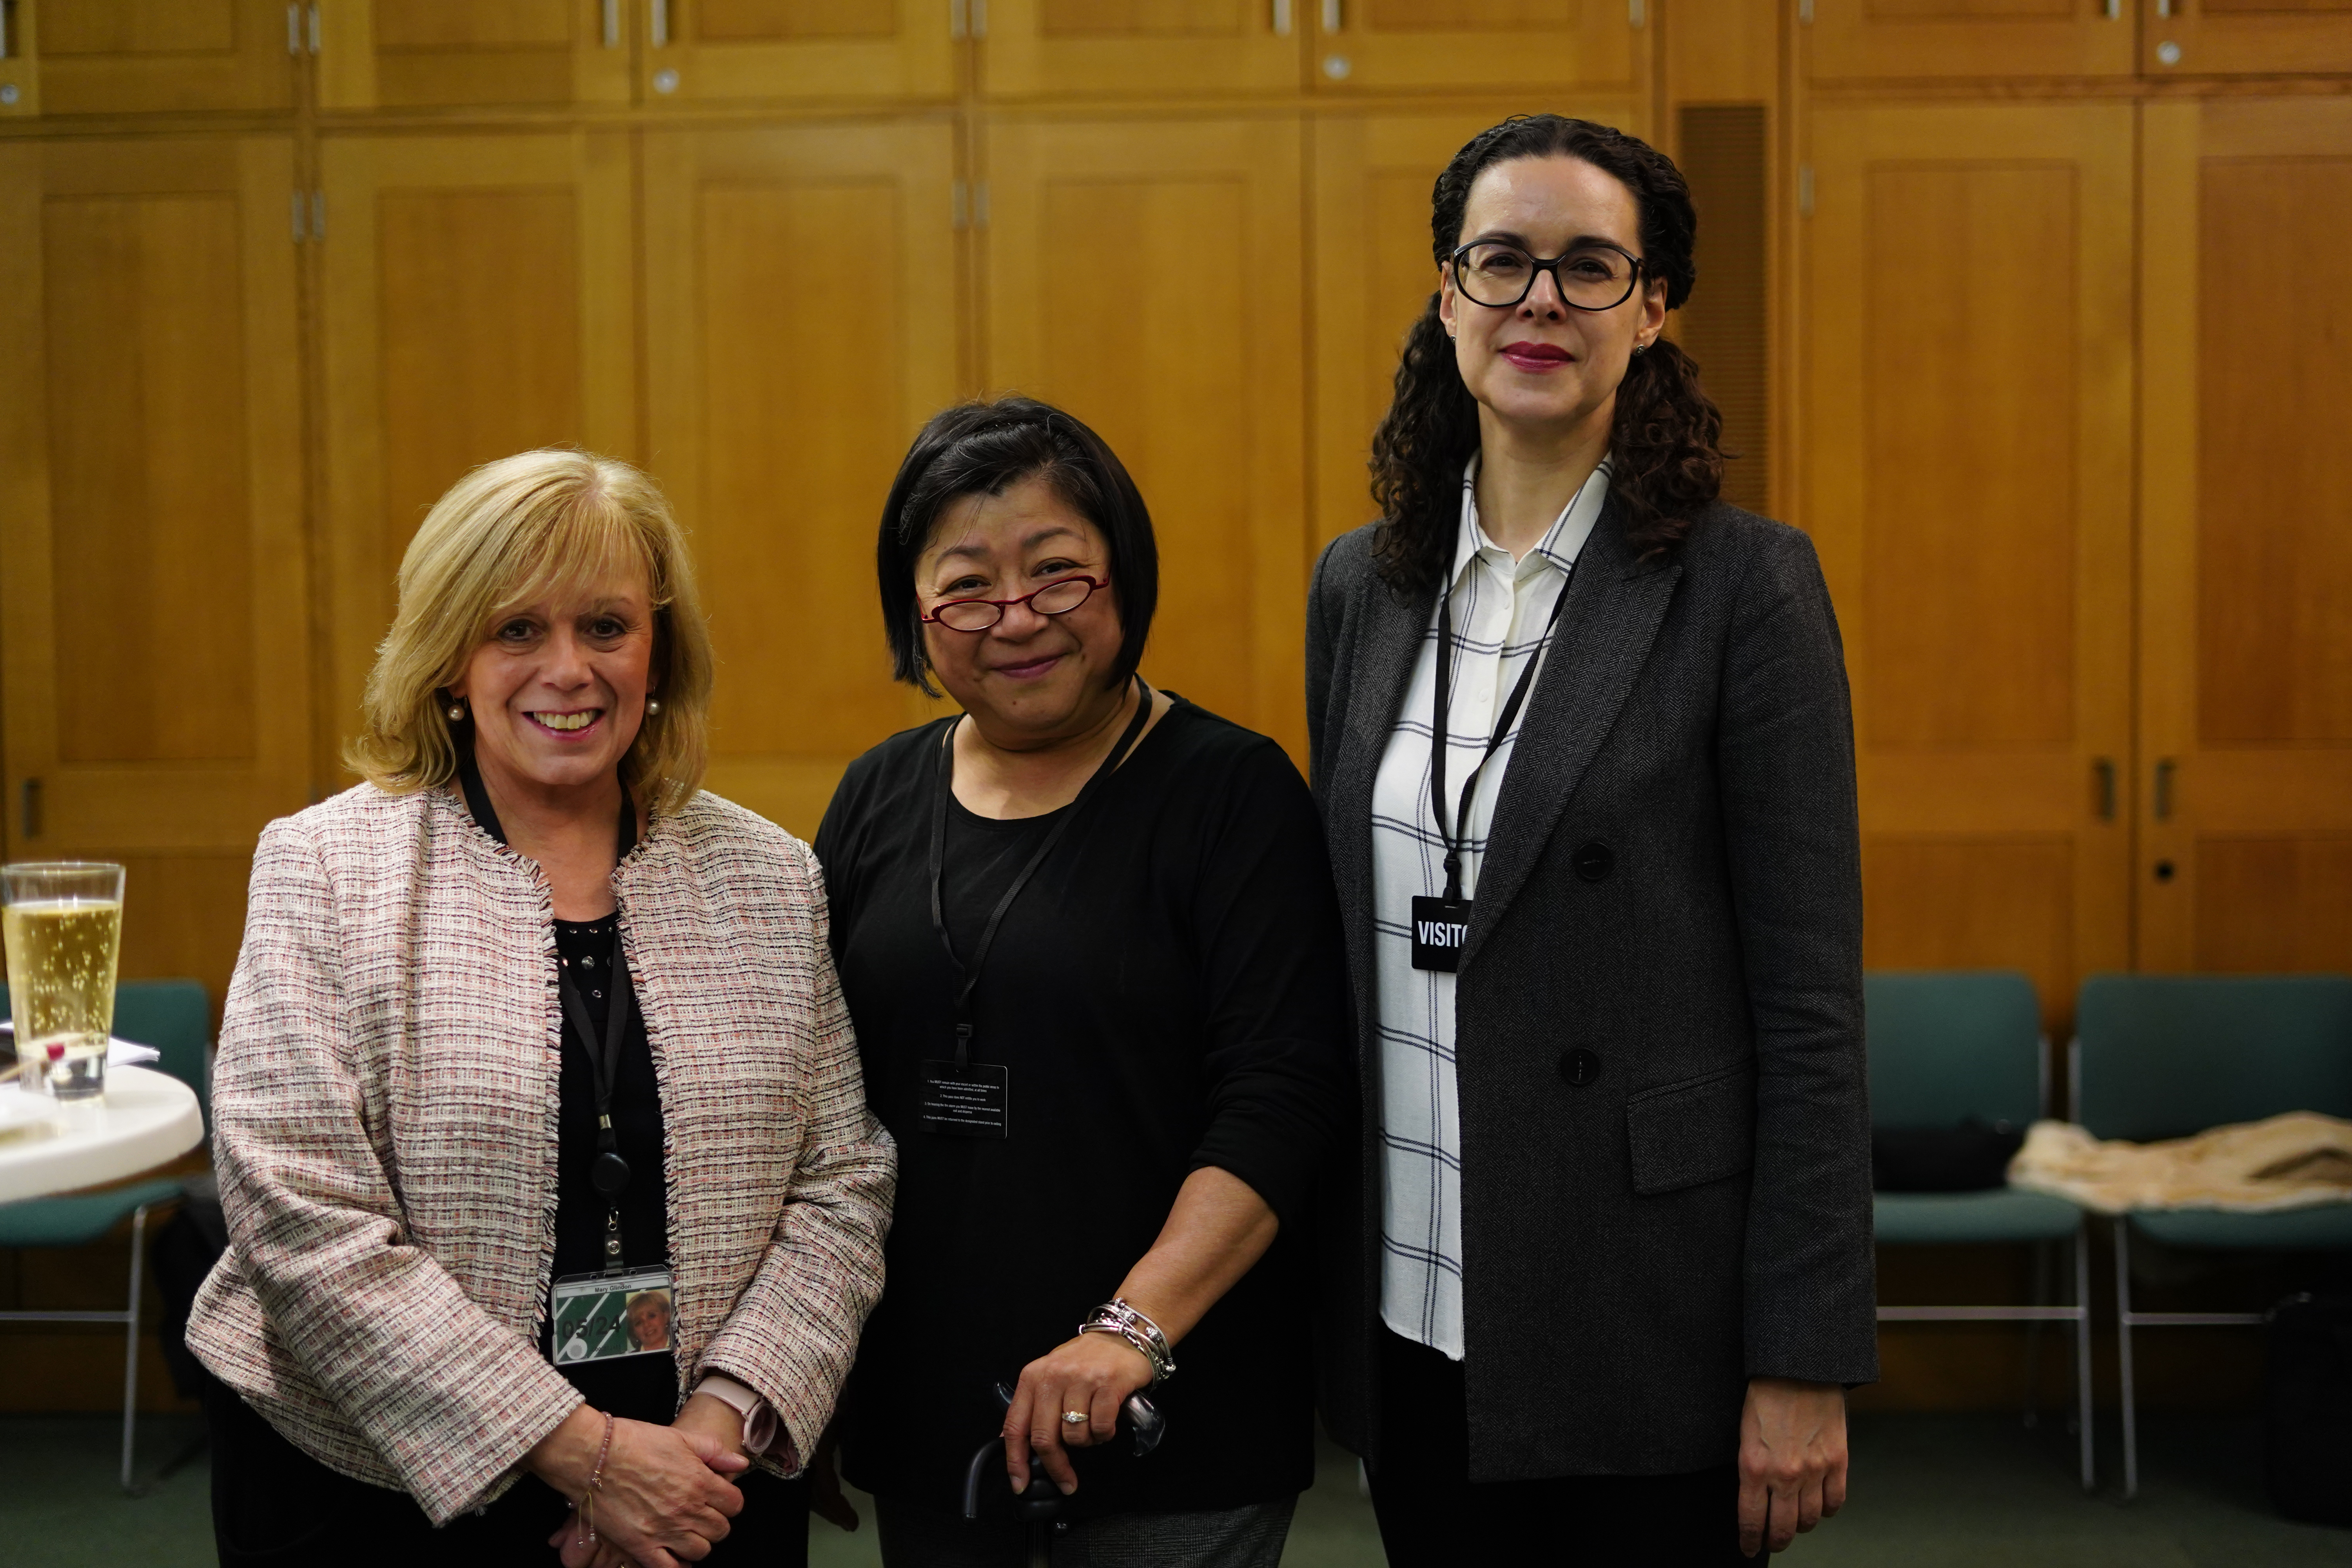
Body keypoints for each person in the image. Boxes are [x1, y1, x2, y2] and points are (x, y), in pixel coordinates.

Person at [1306, 115, 1877, 1564]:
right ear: (1448, 298)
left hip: (1640, 1313)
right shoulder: (1364, 587)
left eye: (1588, 267)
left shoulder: (1745, 586)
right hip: (1416, 1301)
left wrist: (1802, 1353)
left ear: (1653, 306)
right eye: (1501, 263)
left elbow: (1810, 1005)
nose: (1540, 301)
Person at [188, 449, 897, 1568]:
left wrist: (703, 1441)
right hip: (375, 1488)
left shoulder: (771, 878)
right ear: (447, 661)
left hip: (702, 1493)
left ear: (657, 651)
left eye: (606, 627)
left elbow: (842, 1187)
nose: (568, 670)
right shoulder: (324, 868)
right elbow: (301, 1215)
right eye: (517, 629)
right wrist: (584, 1455)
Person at [813, 397, 1352, 1567]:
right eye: (967, 586)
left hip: (1169, 1412)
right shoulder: (874, 798)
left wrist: (1130, 1332)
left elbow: (1284, 1097)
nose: (1017, 620)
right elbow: (812, 1108)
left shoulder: (1231, 795)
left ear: (1125, 575)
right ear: (915, 608)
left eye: (1058, 574)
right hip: (933, 1415)